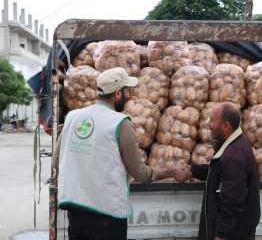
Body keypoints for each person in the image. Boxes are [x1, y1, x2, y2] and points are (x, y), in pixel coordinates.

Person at [52, 67, 190, 240]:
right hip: (106, 217)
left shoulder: (72, 117)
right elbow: (140, 173)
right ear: (118, 94)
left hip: (76, 212)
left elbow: (56, 161)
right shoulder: (120, 123)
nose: (129, 95)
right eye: (127, 90)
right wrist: (172, 171)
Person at [188, 102, 261, 240]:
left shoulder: (234, 156)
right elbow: (219, 173)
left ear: (225, 126)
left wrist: (220, 236)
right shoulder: (234, 146)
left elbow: (233, 204)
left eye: (212, 120)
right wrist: (193, 170)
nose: (208, 123)